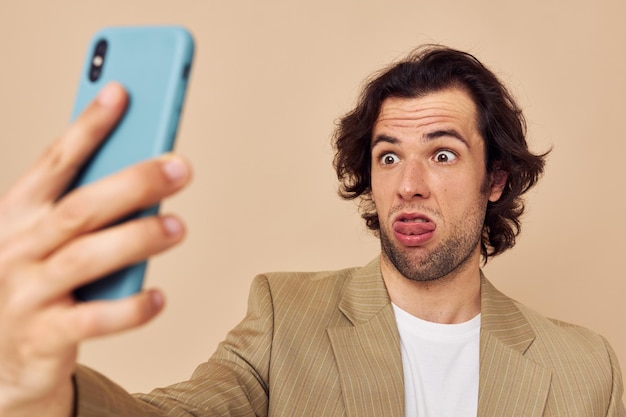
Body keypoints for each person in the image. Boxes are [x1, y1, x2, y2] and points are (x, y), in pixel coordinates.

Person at [0, 45, 623, 417]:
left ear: (496, 181)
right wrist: (46, 393)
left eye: (442, 155)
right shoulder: (283, 314)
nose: (408, 184)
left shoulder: (585, 366)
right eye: (387, 156)